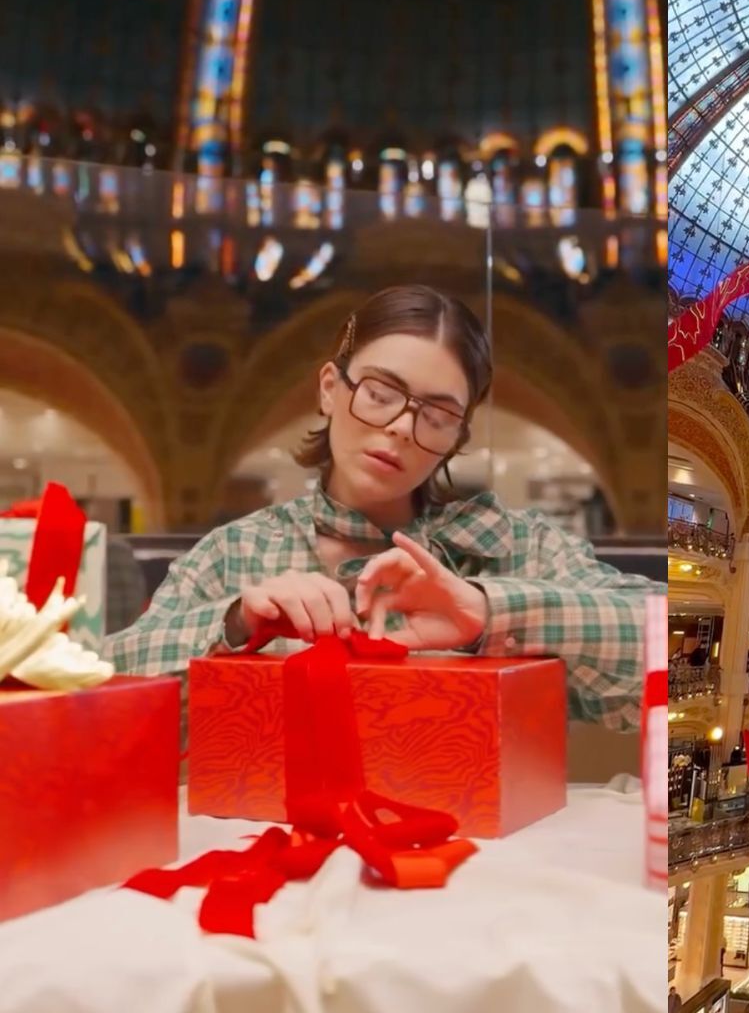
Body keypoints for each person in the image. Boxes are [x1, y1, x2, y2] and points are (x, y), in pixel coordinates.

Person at [107, 285, 667, 732]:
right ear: (331, 388)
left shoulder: (514, 547)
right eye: (379, 394)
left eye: (438, 417)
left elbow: (665, 638)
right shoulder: (238, 551)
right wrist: (236, 623)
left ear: (456, 439)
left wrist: (485, 610)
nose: (401, 426)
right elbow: (107, 693)